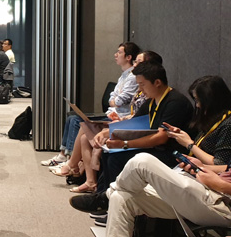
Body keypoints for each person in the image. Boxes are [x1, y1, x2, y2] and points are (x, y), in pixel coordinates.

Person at [69, 76, 231, 236]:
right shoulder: (208, 120)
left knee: (142, 161)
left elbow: (219, 163)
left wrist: (190, 146)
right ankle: (110, 196)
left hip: (218, 199)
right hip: (200, 182)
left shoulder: (224, 123)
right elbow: (224, 166)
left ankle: (105, 197)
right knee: (122, 197)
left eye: (198, 100)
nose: (197, 105)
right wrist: (201, 166)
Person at [53, 50, 160, 195]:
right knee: (83, 129)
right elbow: (116, 99)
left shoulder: (150, 92)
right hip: (122, 119)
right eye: (135, 62)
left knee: (86, 130)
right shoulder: (136, 84)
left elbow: (123, 104)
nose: (135, 64)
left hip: (131, 127)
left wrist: (120, 125)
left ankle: (74, 166)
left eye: (139, 62)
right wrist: (121, 119)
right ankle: (86, 177)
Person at [90, 62, 193, 196]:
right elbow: (134, 123)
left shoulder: (175, 102)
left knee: (117, 158)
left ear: (157, 82)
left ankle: (116, 199)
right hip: (155, 149)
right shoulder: (152, 100)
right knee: (109, 152)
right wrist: (106, 132)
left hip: (172, 154)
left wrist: (125, 144)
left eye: (142, 84)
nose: (140, 89)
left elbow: (161, 138)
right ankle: (103, 197)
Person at [43, 42, 142, 166]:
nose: (115, 55)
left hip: (118, 116)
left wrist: (114, 100)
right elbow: (112, 97)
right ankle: (64, 155)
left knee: (77, 120)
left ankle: (71, 159)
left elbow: (118, 101)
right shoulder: (124, 75)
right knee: (72, 116)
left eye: (119, 52)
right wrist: (114, 100)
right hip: (112, 113)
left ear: (128, 57)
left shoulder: (133, 77)